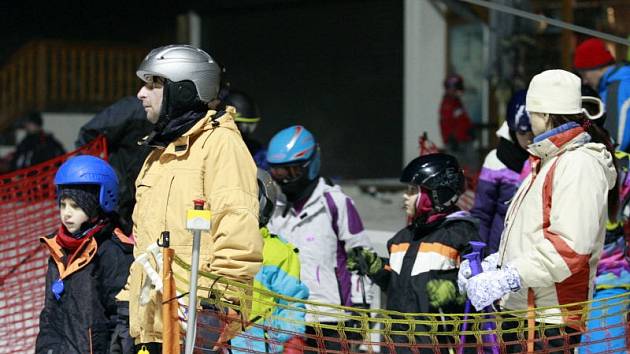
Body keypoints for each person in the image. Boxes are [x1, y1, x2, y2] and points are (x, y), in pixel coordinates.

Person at [459, 70, 618, 352]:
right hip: (527, 311)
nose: (529, 122)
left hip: (549, 316)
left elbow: (569, 248)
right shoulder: (548, 160)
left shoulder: (577, 164)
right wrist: (494, 264)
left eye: (532, 113)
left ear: (545, 115)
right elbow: (533, 234)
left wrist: (508, 276)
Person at [124, 44, 262, 353]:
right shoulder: (158, 154)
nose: (141, 94)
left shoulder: (220, 145)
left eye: (153, 84)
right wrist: (126, 304)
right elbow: (144, 243)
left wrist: (219, 309)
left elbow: (238, 235)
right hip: (152, 327)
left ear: (184, 90)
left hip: (193, 328)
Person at [350, 153, 477, 353]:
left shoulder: (461, 235)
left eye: (412, 191)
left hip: (436, 345)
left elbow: (482, 289)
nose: (405, 196)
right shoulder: (402, 239)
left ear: (435, 194)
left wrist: (454, 291)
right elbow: (400, 287)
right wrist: (376, 267)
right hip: (396, 344)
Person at [265, 125, 374, 352]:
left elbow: (361, 258)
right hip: (285, 318)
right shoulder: (273, 207)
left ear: (310, 165)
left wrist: (361, 311)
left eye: (291, 171)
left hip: (330, 318)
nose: (284, 180)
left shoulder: (335, 203)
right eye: (278, 173)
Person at [35, 155, 134, 354]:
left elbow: (121, 318)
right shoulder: (59, 247)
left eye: (75, 206)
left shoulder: (110, 251)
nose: (66, 213)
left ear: (98, 204)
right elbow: (50, 313)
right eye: (63, 205)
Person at [230, 169, 309, 353]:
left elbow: (290, 303)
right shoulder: (208, 247)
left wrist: (291, 342)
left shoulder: (276, 251)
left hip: (261, 347)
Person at [76, 96, 154, 234]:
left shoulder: (174, 115)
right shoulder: (133, 109)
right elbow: (89, 134)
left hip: (144, 196)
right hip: (118, 192)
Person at [470, 90, 533, 256]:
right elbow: (482, 213)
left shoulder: (549, 158)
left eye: (534, 133)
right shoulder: (496, 161)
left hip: (533, 254)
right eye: (522, 133)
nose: (529, 140)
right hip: (498, 252)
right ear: (512, 130)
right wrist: (478, 255)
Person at [574, 37, 630, 152]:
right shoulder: (623, 80)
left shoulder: (617, 89)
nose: (585, 81)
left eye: (584, 74)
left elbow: (615, 141)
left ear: (596, 67)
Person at [223, 90, 268, 169]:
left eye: (249, 127)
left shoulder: (255, 149)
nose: (244, 132)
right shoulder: (214, 147)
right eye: (242, 126)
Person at [439, 74, 474, 165]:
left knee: (471, 166)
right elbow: (445, 124)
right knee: (458, 168)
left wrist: (469, 130)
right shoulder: (447, 105)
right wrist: (450, 139)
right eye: (457, 88)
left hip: (465, 140)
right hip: (455, 143)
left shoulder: (457, 102)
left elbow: (463, 119)